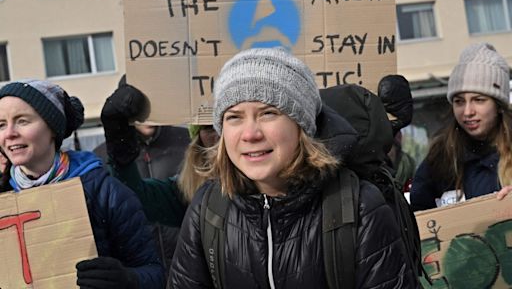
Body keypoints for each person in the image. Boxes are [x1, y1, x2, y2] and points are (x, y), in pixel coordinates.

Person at [170, 47, 416, 288]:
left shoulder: (358, 207)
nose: (250, 134)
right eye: (234, 117)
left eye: (268, 113)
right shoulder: (210, 208)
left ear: (302, 127)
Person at [0, 79, 164, 289]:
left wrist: (126, 280)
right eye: (1, 124)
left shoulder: (105, 193)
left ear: (52, 128)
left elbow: (154, 272)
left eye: (22, 121)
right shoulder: (3, 195)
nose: (9, 133)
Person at [100, 81, 219, 274]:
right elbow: (134, 198)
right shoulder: (190, 192)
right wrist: (119, 140)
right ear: (198, 141)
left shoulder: (275, 187)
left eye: (232, 119)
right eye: (209, 127)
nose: (221, 136)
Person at [410, 43, 512, 212]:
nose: (467, 112)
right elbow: (419, 218)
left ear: (499, 105)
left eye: (478, 100)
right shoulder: (440, 158)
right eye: (459, 101)